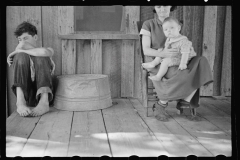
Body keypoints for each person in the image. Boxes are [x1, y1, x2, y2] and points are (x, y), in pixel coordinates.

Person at [140, 6, 213, 121]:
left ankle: (185, 101)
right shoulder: (148, 24)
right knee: (180, 72)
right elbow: (146, 50)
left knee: (200, 63)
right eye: (158, 6)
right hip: (158, 60)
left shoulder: (174, 23)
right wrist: (163, 53)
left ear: (170, 7)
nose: (162, 9)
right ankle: (161, 104)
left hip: (177, 58)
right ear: (154, 7)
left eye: (165, 5)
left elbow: (181, 44)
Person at [7, 21, 55, 117]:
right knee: (21, 56)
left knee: (42, 56)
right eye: (20, 39)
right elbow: (21, 47)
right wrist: (19, 51)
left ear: (35, 37)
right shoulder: (20, 55)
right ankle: (20, 102)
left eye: (25, 38)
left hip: (44, 93)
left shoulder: (47, 49)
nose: (22, 42)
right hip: (26, 94)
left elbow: (45, 51)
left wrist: (16, 51)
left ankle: (44, 102)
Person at [142, 17, 196, 81]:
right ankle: (154, 63)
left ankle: (158, 76)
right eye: (166, 30)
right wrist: (162, 52)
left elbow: (185, 53)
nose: (169, 31)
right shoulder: (169, 39)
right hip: (174, 55)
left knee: (166, 62)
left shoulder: (183, 41)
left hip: (181, 58)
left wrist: (183, 63)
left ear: (179, 28)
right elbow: (166, 49)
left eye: (172, 28)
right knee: (160, 50)